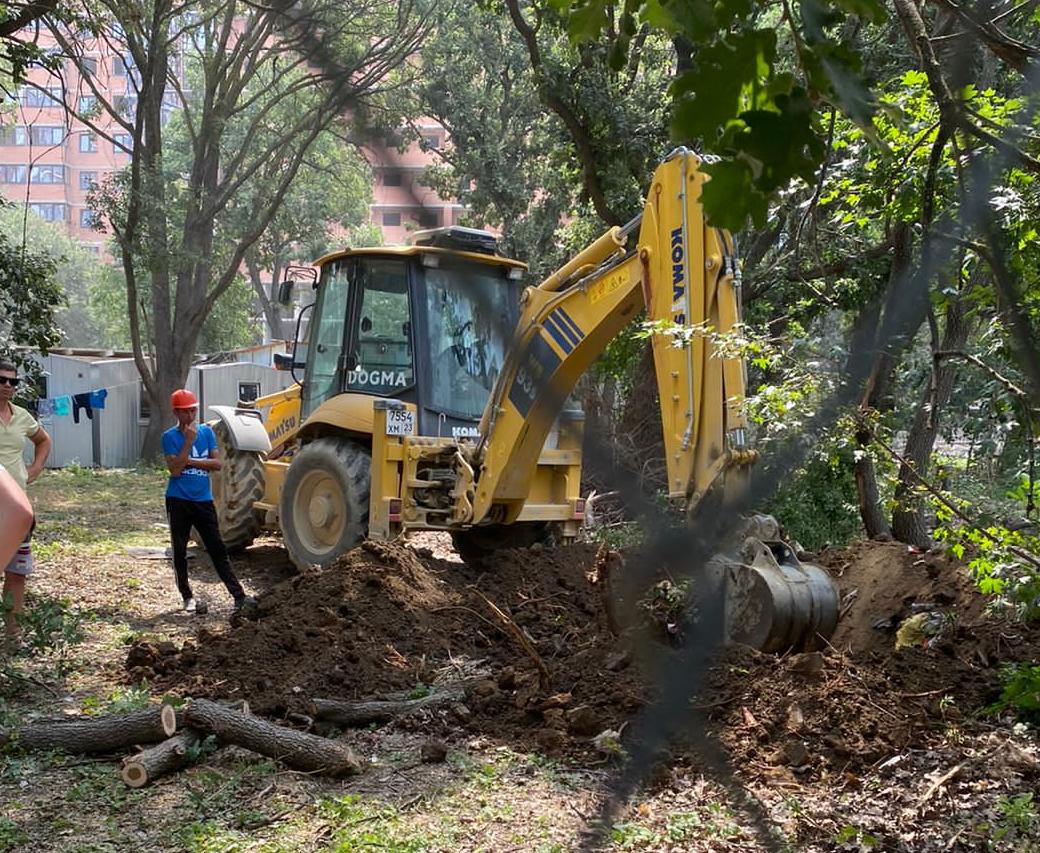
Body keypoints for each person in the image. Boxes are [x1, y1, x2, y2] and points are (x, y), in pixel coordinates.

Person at [162, 388, 257, 617]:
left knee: (218, 549)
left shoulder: (206, 432)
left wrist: (188, 460)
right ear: (176, 412)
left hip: (203, 501)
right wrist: (187, 442)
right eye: (185, 412)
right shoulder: (168, 437)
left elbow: (217, 464)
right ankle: (187, 597)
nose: (191, 415)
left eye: (193, 410)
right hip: (178, 500)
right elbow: (174, 471)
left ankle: (239, 596)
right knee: (179, 552)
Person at [0, 360, 51, 640]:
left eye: (13, 381)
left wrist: (35, 468)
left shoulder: (21, 416)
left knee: (17, 572)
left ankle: (13, 636)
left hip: (17, 507)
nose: (8, 385)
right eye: (2, 380)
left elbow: (43, 440)